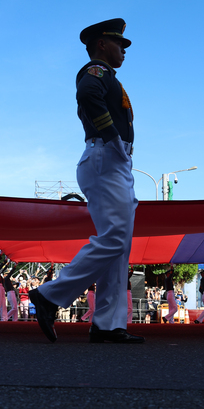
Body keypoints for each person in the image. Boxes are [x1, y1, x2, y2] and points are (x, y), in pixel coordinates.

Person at [29, 18, 142, 344]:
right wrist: (111, 137)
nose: (123, 50)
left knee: (119, 248)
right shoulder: (96, 72)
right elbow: (88, 96)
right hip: (105, 156)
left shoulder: (110, 76)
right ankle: (50, 295)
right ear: (101, 45)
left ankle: (108, 324)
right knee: (116, 238)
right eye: (119, 44)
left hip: (113, 159)